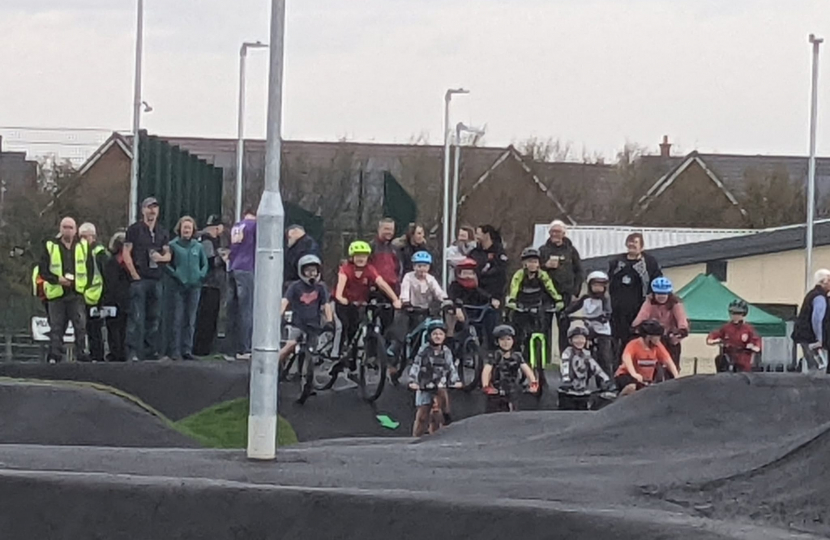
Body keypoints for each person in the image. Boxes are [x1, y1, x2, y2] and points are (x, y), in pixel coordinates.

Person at [334, 241, 402, 368]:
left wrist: (395, 299)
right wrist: (340, 298)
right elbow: (340, 287)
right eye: (358, 256)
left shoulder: (369, 269)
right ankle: (337, 353)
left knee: (359, 328)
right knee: (346, 327)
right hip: (345, 303)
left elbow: (382, 284)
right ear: (352, 257)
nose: (361, 259)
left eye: (364, 256)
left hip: (360, 303)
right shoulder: (346, 269)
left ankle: (357, 359)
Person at [122, 197, 171, 361]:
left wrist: (160, 258)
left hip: (156, 278)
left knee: (154, 317)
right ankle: (132, 352)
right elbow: (126, 253)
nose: (152, 211)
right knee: (136, 316)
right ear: (143, 210)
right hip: (140, 279)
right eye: (149, 207)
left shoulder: (162, 231)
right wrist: (134, 274)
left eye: (155, 208)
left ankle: (151, 351)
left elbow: (168, 254)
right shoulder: (134, 230)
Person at [39, 217, 90, 363]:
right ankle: (55, 356)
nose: (67, 230)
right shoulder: (50, 246)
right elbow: (43, 269)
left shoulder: (83, 246)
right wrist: (57, 279)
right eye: (65, 227)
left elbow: (89, 269)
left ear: (76, 230)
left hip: (76, 292)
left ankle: (82, 354)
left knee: (80, 326)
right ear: (60, 229)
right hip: (56, 293)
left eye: (70, 227)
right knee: (56, 327)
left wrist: (83, 286)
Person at [388, 251, 451, 367]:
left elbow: (438, 291)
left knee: (429, 329)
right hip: (409, 310)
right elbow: (405, 290)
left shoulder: (430, 279)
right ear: (414, 266)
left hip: (424, 311)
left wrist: (445, 299)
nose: (422, 269)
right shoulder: (408, 277)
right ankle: (394, 349)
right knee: (402, 332)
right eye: (419, 266)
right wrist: (406, 301)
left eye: (425, 266)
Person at [407, 320, 462, 436]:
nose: (438, 336)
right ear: (430, 336)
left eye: (440, 334)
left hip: (440, 385)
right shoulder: (424, 350)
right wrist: (413, 380)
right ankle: (416, 437)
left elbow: (450, 367)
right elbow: (416, 365)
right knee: (422, 414)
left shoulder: (446, 351)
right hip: (425, 384)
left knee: (439, 413)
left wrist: (455, 380)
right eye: (435, 334)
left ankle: (436, 436)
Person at [608, 232, 662, 348]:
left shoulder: (649, 262)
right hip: (619, 310)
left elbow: (657, 282)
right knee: (618, 341)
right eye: (630, 241)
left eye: (635, 242)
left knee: (637, 339)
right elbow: (611, 282)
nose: (632, 244)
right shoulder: (617, 262)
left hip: (640, 308)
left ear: (641, 246)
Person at [279, 254, 334, 366]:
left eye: (314, 271)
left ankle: (306, 374)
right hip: (297, 323)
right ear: (301, 271)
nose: (311, 274)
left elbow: (326, 305)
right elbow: (285, 301)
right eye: (308, 271)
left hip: (314, 325)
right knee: (291, 345)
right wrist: (279, 314)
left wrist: (329, 321)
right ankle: (271, 365)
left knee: (312, 350)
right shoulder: (295, 286)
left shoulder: (321, 287)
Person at [538, 220, 584, 352]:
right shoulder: (543, 250)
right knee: (544, 327)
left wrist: (576, 291)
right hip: (545, 295)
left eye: (558, 231)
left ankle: (564, 357)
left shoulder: (571, 250)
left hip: (565, 295)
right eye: (552, 231)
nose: (555, 234)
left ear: (564, 233)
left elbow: (579, 271)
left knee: (564, 327)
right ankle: (544, 359)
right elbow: (534, 269)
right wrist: (545, 266)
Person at [167, 216, 208, 360]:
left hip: (195, 286)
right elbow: (167, 264)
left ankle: (187, 349)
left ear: (193, 230)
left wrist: (200, 275)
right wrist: (176, 274)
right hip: (179, 286)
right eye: (184, 227)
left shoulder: (198, 246)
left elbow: (205, 264)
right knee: (177, 319)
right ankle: (175, 351)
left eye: (189, 228)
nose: (186, 230)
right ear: (180, 229)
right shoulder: (173, 245)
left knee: (190, 319)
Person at [505, 247, 564, 348]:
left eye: (535, 262)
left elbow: (550, 288)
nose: (532, 264)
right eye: (529, 262)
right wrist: (512, 300)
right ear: (524, 263)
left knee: (542, 330)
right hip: (522, 306)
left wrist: (558, 300)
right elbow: (514, 288)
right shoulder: (519, 275)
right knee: (519, 331)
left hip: (537, 305)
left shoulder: (542, 275)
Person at [632, 277, 689, 371]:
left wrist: (681, 331)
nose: (661, 296)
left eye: (664, 293)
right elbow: (642, 315)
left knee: (672, 365)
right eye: (658, 293)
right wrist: (636, 327)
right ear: (654, 294)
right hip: (653, 338)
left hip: (670, 338)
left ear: (669, 294)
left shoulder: (675, 303)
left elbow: (682, 320)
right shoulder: (649, 302)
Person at [563, 270, 614, 375]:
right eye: (595, 285)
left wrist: (604, 317)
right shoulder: (585, 298)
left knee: (604, 356)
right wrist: (565, 313)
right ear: (590, 285)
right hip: (588, 329)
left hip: (602, 331)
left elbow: (607, 311)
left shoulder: (605, 299)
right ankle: (580, 379)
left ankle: (607, 382)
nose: (598, 288)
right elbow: (574, 306)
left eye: (601, 286)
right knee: (582, 354)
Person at [481, 324, 538, 413]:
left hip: (513, 390)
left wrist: (533, 383)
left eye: (508, 339)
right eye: (502, 339)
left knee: (513, 411)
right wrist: (486, 386)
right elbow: (486, 371)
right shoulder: (494, 355)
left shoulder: (517, 356)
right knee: (493, 412)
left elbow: (527, 370)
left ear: (513, 341)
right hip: (496, 391)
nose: (506, 342)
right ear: (497, 341)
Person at [615, 320, 679, 396]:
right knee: (631, 387)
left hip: (645, 380)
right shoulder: (634, 344)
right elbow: (626, 358)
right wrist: (634, 374)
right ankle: (619, 400)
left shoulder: (657, 346)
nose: (659, 339)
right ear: (649, 337)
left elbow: (668, 361)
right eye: (657, 337)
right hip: (627, 376)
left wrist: (676, 376)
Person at [469, 225, 508, 345]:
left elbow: (501, 274)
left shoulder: (499, 252)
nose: (476, 236)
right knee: (476, 330)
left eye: (478, 233)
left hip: (494, 296)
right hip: (476, 296)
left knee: (492, 329)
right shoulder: (474, 253)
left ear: (487, 235)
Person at [558, 326, 613, 410]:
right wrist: (566, 380)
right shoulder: (567, 353)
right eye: (576, 338)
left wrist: (605, 378)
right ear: (570, 340)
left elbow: (595, 367)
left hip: (583, 391)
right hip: (568, 391)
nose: (579, 341)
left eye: (582, 338)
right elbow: (565, 366)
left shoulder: (586, 354)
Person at [193, 214, 226, 356]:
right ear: (218, 227)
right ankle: (202, 349)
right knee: (206, 318)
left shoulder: (202, 239)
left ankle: (203, 348)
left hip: (209, 285)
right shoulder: (208, 241)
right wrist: (224, 258)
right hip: (209, 285)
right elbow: (209, 262)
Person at [228, 209, 257, 361]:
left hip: (233, 267)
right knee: (247, 309)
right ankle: (245, 348)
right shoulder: (255, 225)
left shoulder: (237, 226)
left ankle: (231, 349)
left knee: (233, 310)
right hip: (247, 268)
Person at [78, 222, 108, 362]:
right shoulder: (81, 253)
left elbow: (105, 276)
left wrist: (104, 298)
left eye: (85, 236)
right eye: (80, 237)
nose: (82, 240)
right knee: (87, 328)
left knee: (95, 329)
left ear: (93, 237)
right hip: (84, 295)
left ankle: (98, 355)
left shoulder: (100, 253)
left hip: (97, 297)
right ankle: (90, 354)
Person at [707, 300, 761, 373]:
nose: (735, 316)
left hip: (742, 361)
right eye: (733, 313)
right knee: (720, 360)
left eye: (739, 313)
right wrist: (715, 341)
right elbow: (712, 337)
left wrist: (753, 346)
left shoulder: (748, 329)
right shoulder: (726, 327)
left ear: (744, 314)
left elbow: (757, 343)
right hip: (729, 357)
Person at [792, 269, 830, 373]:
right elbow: (818, 319)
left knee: (813, 367)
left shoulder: (812, 295)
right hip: (812, 339)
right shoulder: (819, 297)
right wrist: (820, 339)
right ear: (823, 282)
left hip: (805, 336)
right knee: (819, 368)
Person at [103, 231, 130, 362]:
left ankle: (117, 353)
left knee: (115, 328)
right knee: (119, 327)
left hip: (116, 300)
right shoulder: (123, 263)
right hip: (119, 300)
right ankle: (119, 353)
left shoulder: (111, 262)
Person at [369, 218, 403, 294]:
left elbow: (399, 268)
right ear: (379, 229)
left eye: (391, 230)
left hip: (393, 289)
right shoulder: (371, 247)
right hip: (375, 289)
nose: (389, 232)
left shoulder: (395, 248)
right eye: (386, 229)